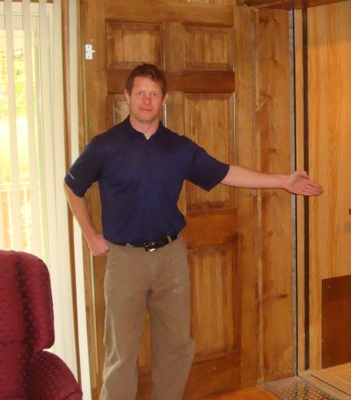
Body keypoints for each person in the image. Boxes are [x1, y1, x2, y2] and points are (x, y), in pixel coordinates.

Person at [64, 63, 323, 400]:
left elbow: (226, 173)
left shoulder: (178, 148)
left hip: (171, 259)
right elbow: (73, 187)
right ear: (127, 97)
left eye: (153, 94)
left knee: (175, 348)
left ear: (164, 100)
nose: (146, 100)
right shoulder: (104, 146)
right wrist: (89, 235)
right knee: (121, 353)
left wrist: (283, 181)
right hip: (124, 260)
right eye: (140, 93)